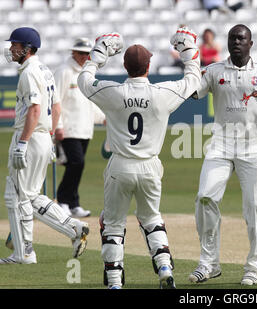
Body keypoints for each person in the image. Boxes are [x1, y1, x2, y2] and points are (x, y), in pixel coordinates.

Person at [77, 28, 201, 289]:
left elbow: (84, 81)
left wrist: (98, 55)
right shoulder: (162, 94)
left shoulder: (113, 92)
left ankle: (114, 282)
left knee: (112, 224)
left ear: (124, 65)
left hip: (120, 165)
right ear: (149, 66)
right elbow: (193, 80)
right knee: (151, 218)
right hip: (149, 166)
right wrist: (187, 50)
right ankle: (165, 267)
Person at [188, 24, 257, 286]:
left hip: (253, 145)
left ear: (251, 43)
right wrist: (189, 61)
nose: (236, 42)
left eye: (241, 38)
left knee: (256, 208)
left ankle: (254, 267)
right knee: (205, 197)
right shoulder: (215, 70)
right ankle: (208, 264)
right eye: (232, 38)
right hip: (221, 144)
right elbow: (193, 92)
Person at [1, 27, 89, 265]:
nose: (11, 49)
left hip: (29, 138)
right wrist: (48, 137)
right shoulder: (45, 70)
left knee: (17, 197)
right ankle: (73, 228)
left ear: (27, 49)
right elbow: (56, 108)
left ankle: (25, 253)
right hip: (41, 138)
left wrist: (22, 143)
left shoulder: (30, 72)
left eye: (15, 45)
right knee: (30, 196)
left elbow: (35, 109)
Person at [53, 38, 106, 218]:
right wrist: (57, 126)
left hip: (84, 128)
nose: (84, 56)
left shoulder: (87, 74)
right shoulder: (64, 71)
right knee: (76, 163)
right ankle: (62, 200)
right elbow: (55, 100)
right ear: (73, 53)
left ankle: (73, 203)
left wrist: (103, 118)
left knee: (77, 166)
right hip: (68, 128)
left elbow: (90, 102)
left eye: (87, 53)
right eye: (81, 53)